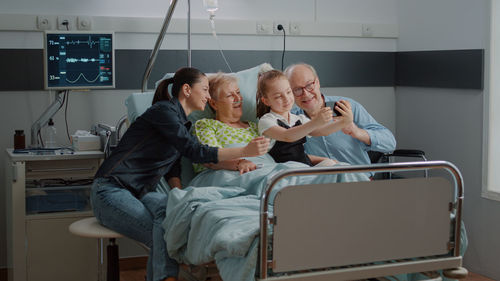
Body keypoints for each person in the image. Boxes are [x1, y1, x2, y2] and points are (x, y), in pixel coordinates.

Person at [91, 67, 269, 281]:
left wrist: (179, 193)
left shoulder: (181, 123)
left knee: (173, 218)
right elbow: (194, 151)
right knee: (169, 234)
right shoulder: (163, 112)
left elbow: (173, 165)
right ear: (186, 89)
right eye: (204, 89)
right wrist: (244, 151)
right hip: (110, 189)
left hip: (141, 191)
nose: (208, 95)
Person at [284, 63, 396, 167]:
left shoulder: (347, 107)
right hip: (318, 183)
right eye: (297, 90)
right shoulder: (290, 120)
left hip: (357, 180)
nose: (306, 94)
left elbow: (390, 143)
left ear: (317, 82)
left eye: (309, 85)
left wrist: (356, 132)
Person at [256, 69, 353, 166]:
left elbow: (320, 131)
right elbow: (287, 136)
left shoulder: (298, 118)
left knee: (338, 165)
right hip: (284, 170)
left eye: (289, 92)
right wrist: (315, 122)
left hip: (304, 167)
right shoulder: (266, 121)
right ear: (266, 101)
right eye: (278, 96)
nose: (286, 99)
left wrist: (344, 122)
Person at [194, 72, 263, 174]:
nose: (238, 98)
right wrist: (239, 163)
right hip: (231, 173)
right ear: (214, 103)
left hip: (264, 168)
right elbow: (209, 158)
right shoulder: (206, 125)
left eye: (238, 92)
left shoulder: (255, 126)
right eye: (230, 95)